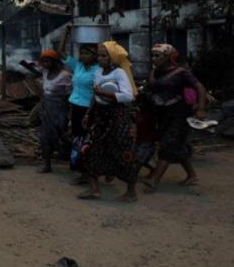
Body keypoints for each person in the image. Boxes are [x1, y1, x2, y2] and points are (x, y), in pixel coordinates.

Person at [77, 41, 139, 202]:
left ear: (112, 58)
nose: (100, 58)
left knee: (122, 152)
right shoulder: (98, 72)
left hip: (117, 117)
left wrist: (106, 95)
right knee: (92, 150)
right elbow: (95, 95)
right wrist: (88, 114)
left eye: (103, 55)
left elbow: (128, 96)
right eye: (98, 55)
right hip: (100, 116)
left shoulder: (119, 73)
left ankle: (131, 192)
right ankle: (94, 189)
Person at [142, 43, 207, 193]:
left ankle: (154, 181)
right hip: (161, 114)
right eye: (153, 55)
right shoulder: (154, 72)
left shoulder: (181, 73)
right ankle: (192, 175)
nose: (154, 59)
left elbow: (200, 87)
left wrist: (201, 108)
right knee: (176, 145)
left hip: (179, 114)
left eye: (158, 56)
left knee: (167, 144)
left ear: (168, 57)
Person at [57, 25, 99, 184]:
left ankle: (88, 173)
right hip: (76, 108)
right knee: (77, 139)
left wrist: (89, 112)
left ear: (95, 56)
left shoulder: (99, 70)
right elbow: (60, 53)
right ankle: (83, 170)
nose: (82, 55)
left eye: (87, 53)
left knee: (87, 140)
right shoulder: (78, 66)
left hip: (90, 109)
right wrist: (65, 32)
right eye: (81, 52)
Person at [35, 49, 72, 174]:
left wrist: (69, 113)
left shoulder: (65, 75)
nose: (45, 63)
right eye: (43, 61)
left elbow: (69, 96)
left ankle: (72, 161)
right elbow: (43, 92)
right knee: (45, 137)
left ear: (55, 61)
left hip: (59, 110)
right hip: (47, 110)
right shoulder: (45, 73)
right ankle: (47, 165)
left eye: (47, 61)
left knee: (62, 135)